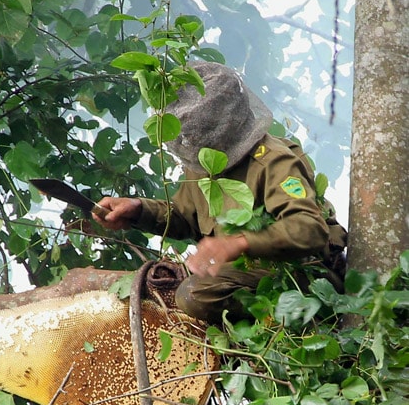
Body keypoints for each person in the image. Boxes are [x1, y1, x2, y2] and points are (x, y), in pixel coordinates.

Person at [93, 62, 347, 324]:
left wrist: (238, 243)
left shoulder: (273, 162)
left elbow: (309, 229)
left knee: (194, 295)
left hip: (303, 275)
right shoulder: (201, 161)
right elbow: (185, 215)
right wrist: (138, 210)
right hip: (245, 274)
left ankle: (275, 327)